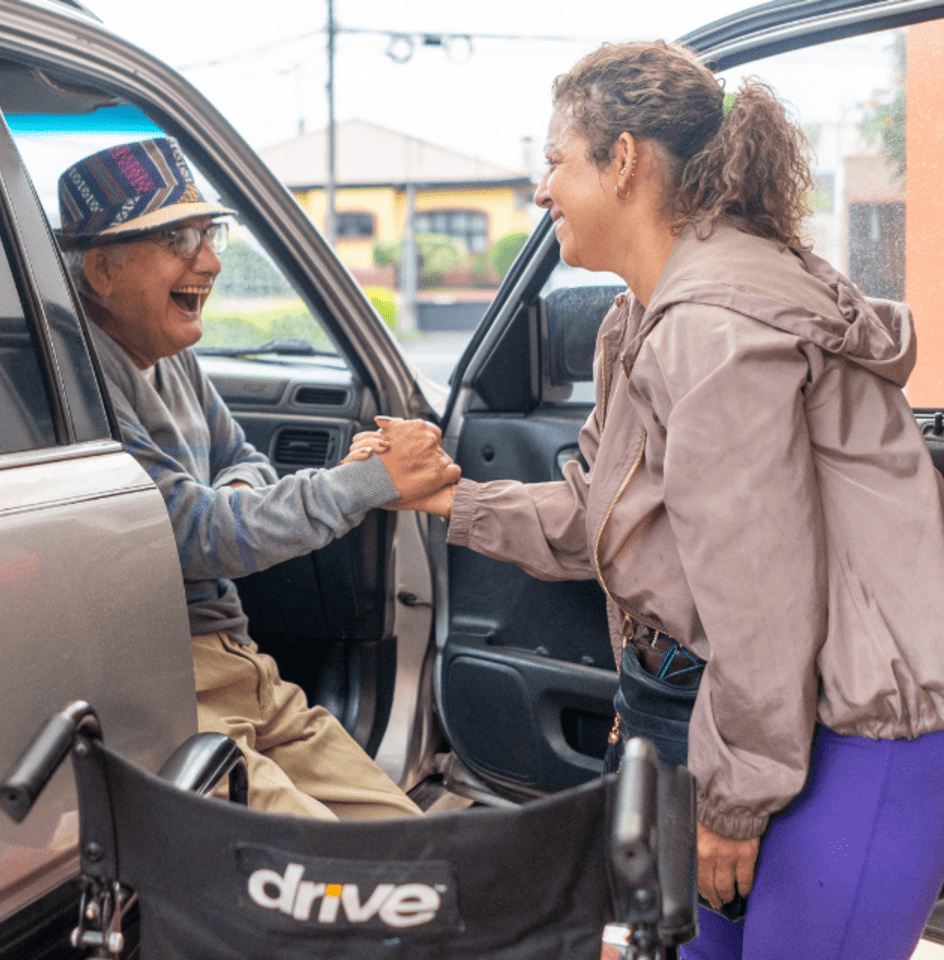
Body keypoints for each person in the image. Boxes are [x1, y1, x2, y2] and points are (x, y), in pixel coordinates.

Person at [351, 40, 944, 960]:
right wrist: (449, 498)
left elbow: (760, 598)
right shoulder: (643, 319)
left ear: (622, 160)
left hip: (856, 730)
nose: (541, 191)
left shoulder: (712, 328)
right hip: (729, 713)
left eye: (554, 160)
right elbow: (605, 517)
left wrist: (734, 799)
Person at [57, 137, 459, 820]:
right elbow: (193, 536)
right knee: (335, 883)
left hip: (242, 665)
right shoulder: (80, 379)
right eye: (181, 239)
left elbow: (245, 459)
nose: (210, 261)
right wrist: (371, 481)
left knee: (408, 844)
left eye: (209, 234)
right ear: (101, 270)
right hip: (168, 678)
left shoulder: (170, 354)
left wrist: (233, 504)